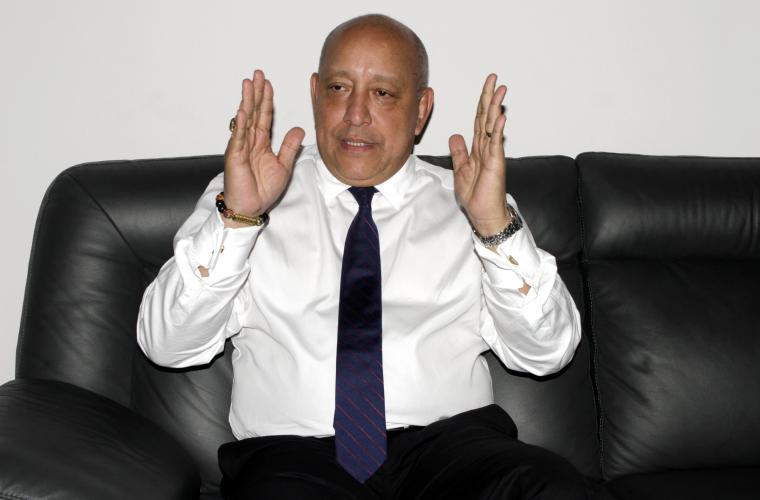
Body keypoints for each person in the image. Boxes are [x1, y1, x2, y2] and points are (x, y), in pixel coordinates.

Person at [138, 13, 588, 500]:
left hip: (452, 453)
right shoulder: (246, 194)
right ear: (315, 93)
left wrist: (494, 228)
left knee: (549, 488)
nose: (356, 114)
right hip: (295, 461)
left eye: (383, 93)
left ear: (421, 110)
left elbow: (547, 353)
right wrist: (239, 219)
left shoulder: (476, 201)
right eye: (338, 88)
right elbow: (167, 345)